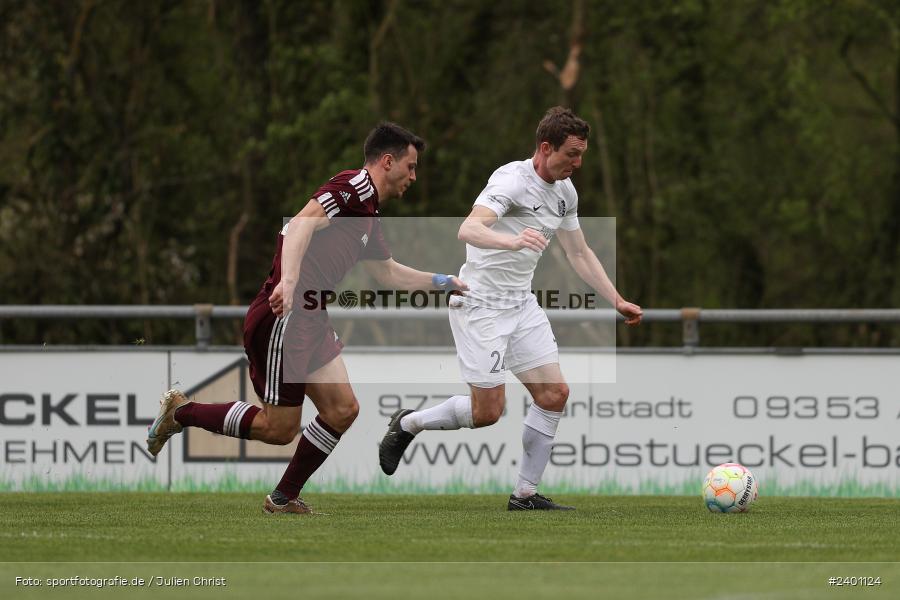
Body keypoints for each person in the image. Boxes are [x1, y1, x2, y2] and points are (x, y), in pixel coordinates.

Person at [146, 122, 466, 514]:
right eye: (411, 167)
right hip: (287, 315)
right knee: (277, 429)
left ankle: (282, 498)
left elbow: (388, 273)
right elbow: (298, 225)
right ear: (387, 161)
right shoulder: (353, 188)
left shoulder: (369, 214)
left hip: (311, 317)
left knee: (342, 409)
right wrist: (291, 281)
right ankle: (181, 412)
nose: (414, 177)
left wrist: (443, 281)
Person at [378, 107, 642, 510]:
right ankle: (409, 423)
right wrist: (512, 241)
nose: (578, 163)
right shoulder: (511, 180)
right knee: (488, 413)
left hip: (521, 304)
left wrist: (617, 299)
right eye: (571, 154)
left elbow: (579, 252)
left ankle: (525, 495)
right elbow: (468, 228)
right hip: (480, 303)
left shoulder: (565, 193)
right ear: (545, 147)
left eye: (582, 154)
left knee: (554, 393)